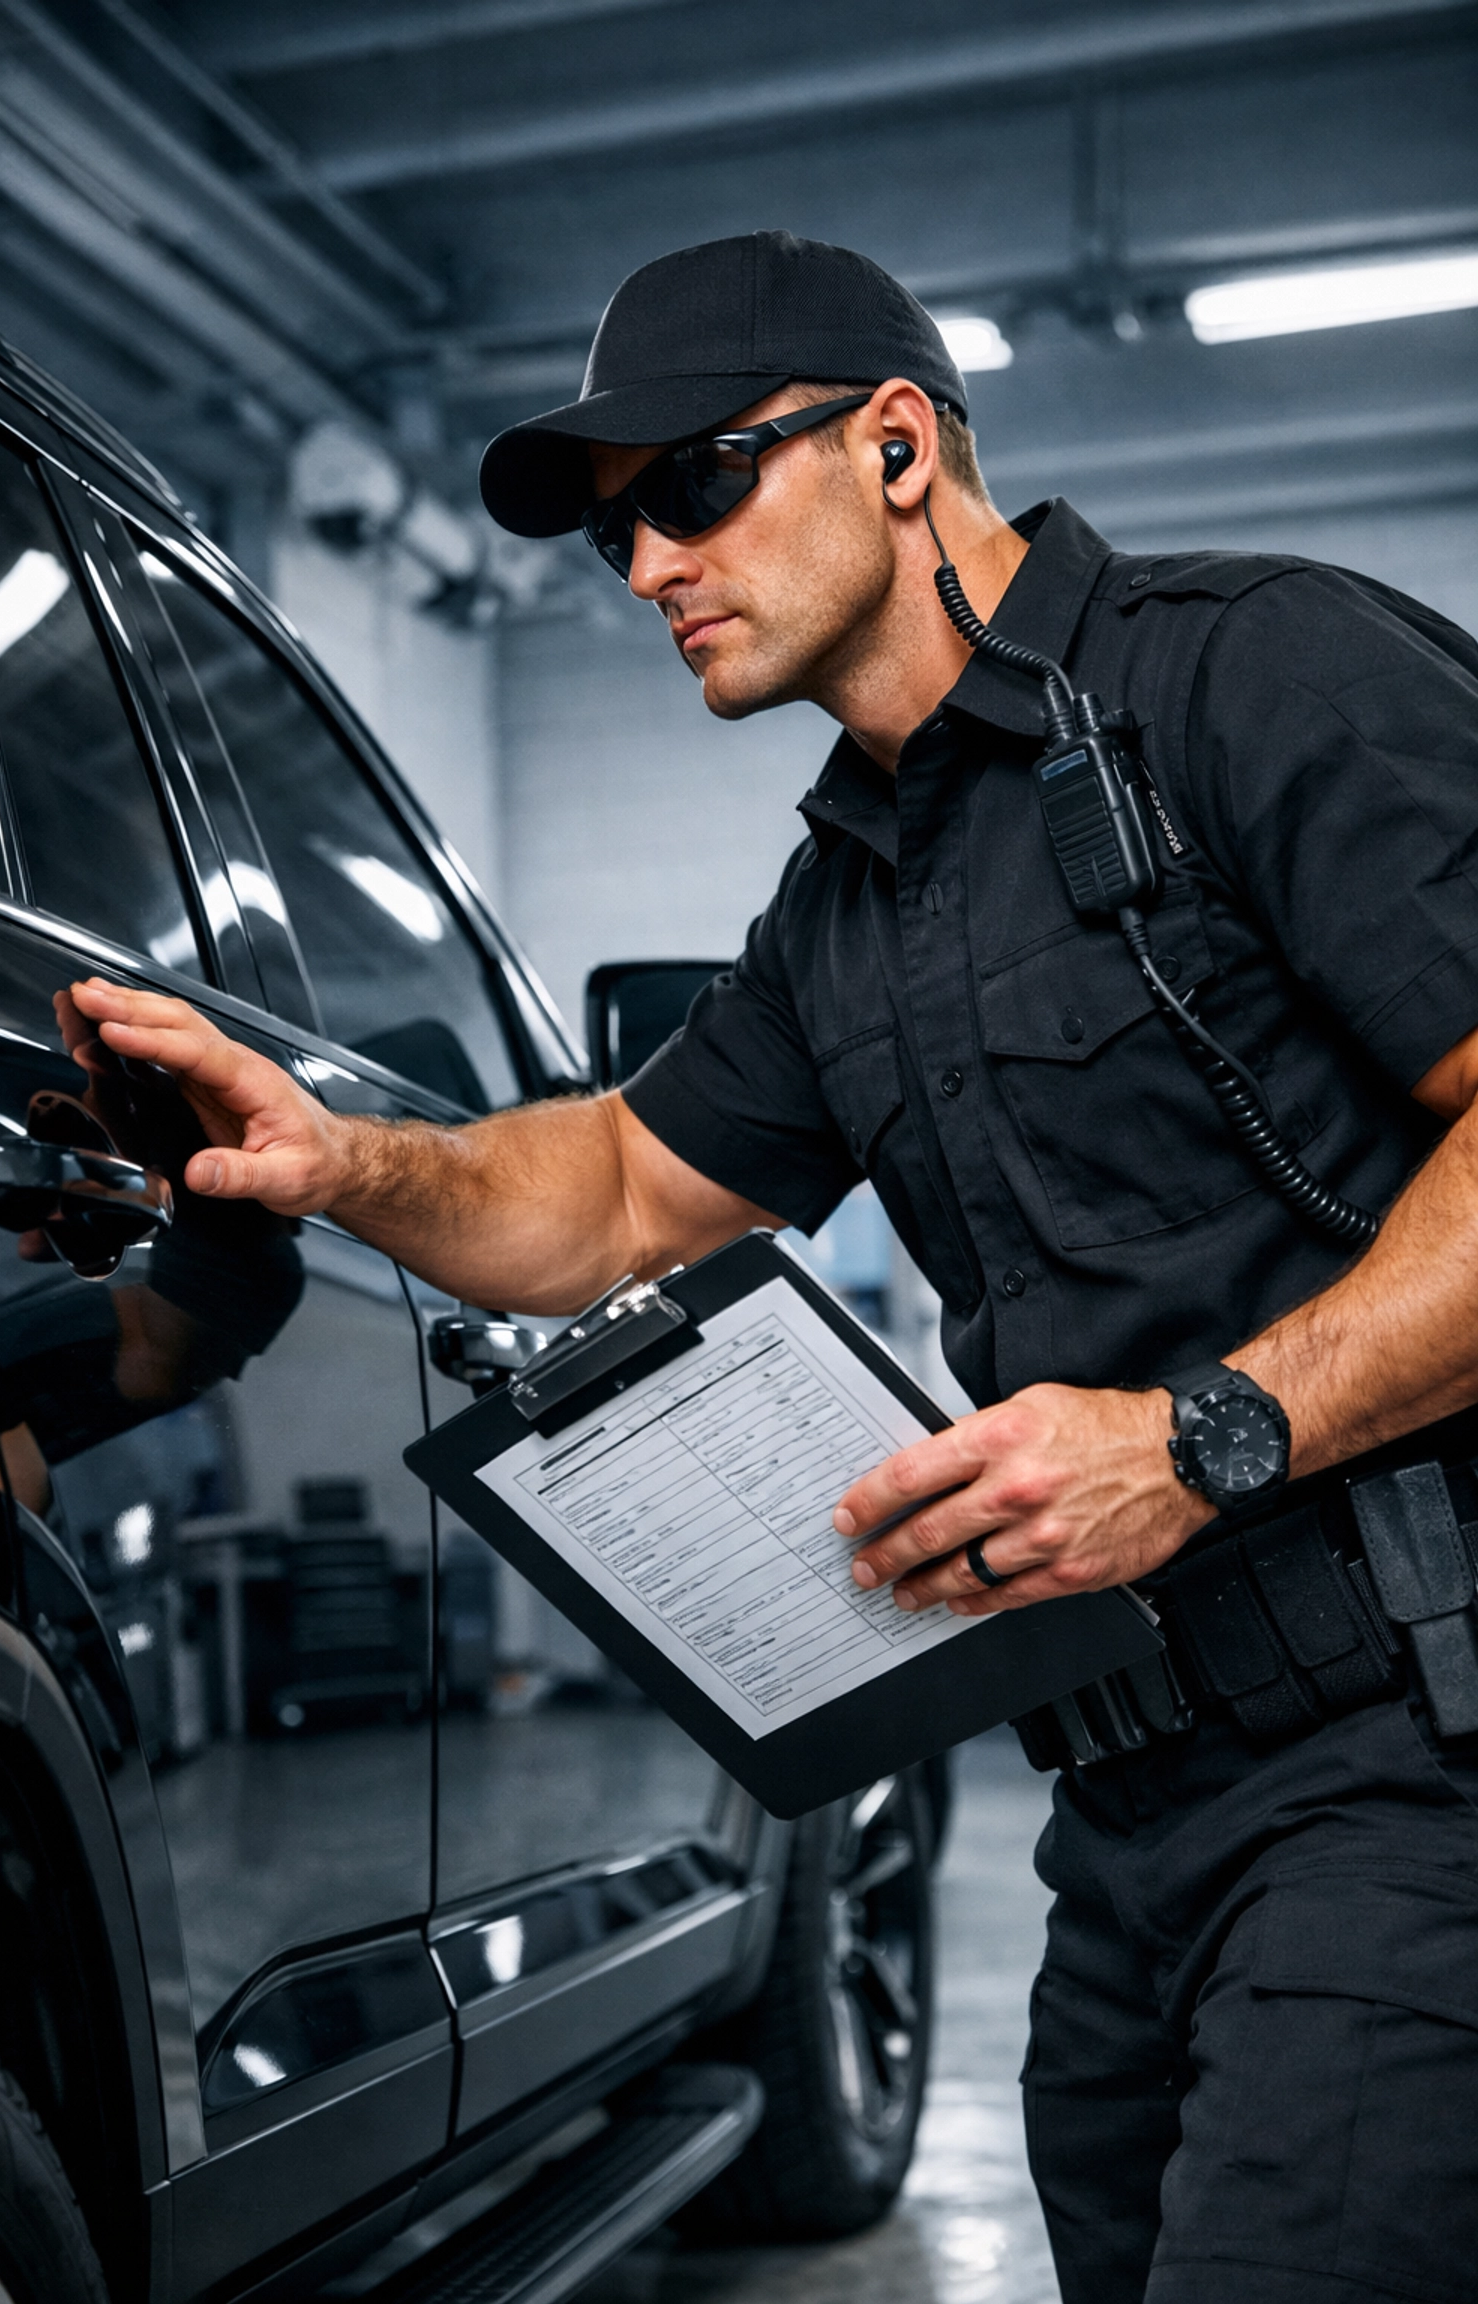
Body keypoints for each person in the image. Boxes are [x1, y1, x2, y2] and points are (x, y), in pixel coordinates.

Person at [72, 232, 1478, 2304]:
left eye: (696, 487)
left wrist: (1203, 1437)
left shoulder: (1251, 677)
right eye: (617, 526)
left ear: (897, 445)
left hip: (1412, 1759)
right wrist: (339, 1155)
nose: (646, 567)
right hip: (1134, 1813)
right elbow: (618, 1193)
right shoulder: (847, 908)